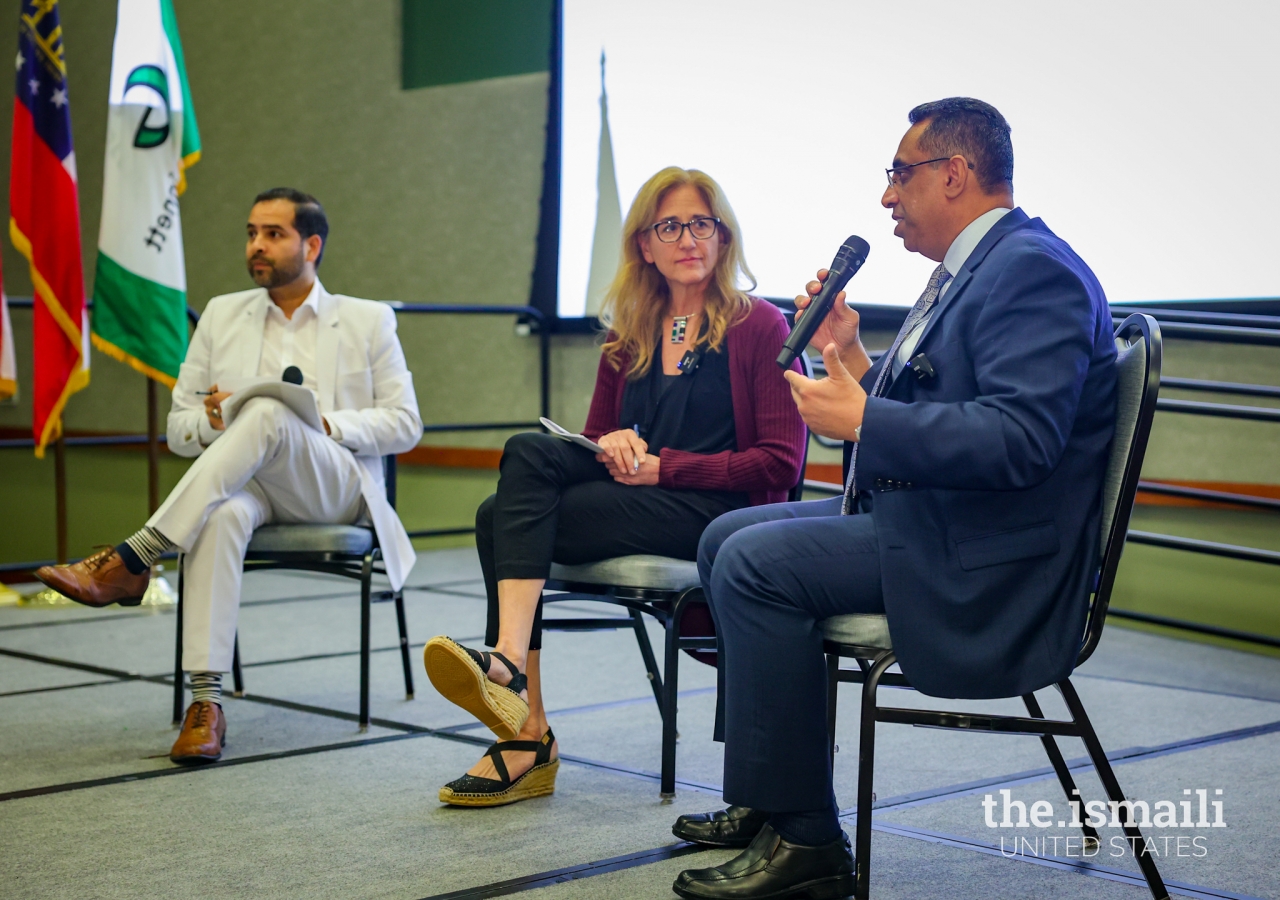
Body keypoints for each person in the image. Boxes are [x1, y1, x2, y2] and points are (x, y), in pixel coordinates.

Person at [669, 98, 1118, 899]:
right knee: (724, 538)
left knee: (753, 565)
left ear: (954, 174)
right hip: (940, 517)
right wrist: (852, 357)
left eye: (898, 175)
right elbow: (949, 408)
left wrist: (867, 417)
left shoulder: (1034, 270)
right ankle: (765, 795)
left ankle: (806, 841)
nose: (886, 198)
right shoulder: (977, 269)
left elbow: (1021, 440)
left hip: (986, 555)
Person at [422, 167, 806, 807]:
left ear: (723, 237)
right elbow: (595, 445)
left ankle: (523, 726)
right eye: (669, 226)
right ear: (644, 246)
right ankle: (515, 677)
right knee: (523, 461)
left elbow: (779, 464)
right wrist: (610, 445)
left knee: (499, 519)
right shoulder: (626, 336)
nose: (688, 238)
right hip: (641, 502)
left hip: (719, 518)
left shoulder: (761, 325)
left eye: (702, 223)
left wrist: (665, 465)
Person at [34, 188, 422, 764]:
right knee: (217, 514)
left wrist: (321, 421)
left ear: (312, 245)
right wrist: (216, 421)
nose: (256, 246)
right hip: (250, 486)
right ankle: (206, 702)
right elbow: (180, 427)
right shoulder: (221, 312)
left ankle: (133, 557)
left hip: (334, 484)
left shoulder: (366, 320)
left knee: (268, 411)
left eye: (273, 234)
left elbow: (406, 424)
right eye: (250, 233)